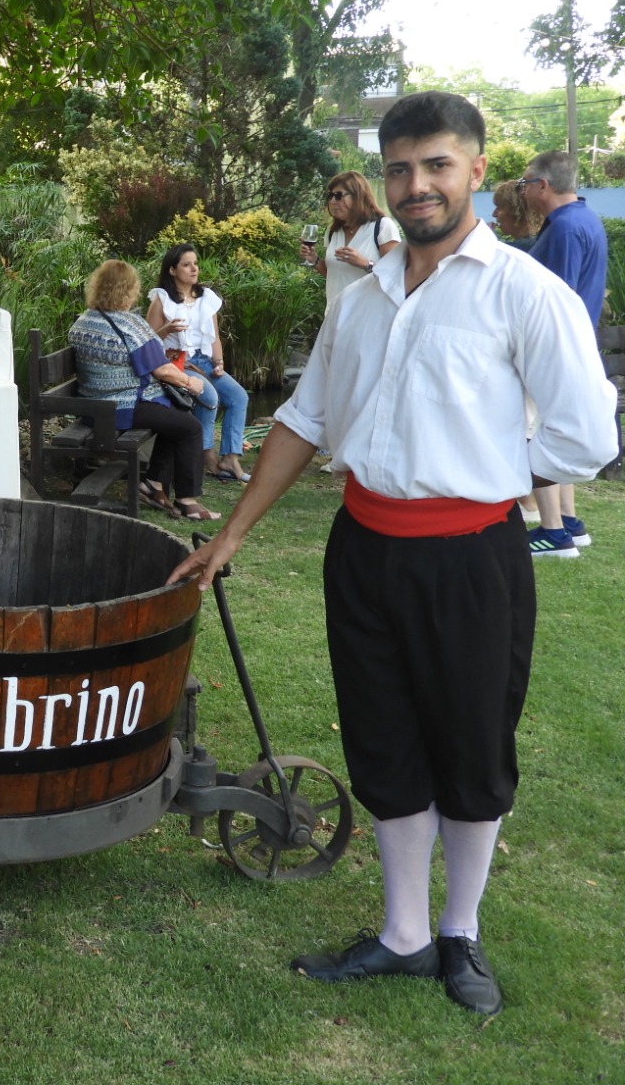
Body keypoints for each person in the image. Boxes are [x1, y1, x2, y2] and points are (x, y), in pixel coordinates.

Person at [169, 91, 617, 1018]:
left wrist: (484, 475)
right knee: (383, 739)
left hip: (472, 560)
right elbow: (304, 419)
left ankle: (460, 932)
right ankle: (405, 933)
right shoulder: (365, 295)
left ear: (477, 172)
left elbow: (585, 435)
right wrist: (231, 532)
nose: (419, 185)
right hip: (363, 550)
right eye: (402, 168)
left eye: (438, 165)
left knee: (471, 745)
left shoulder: (523, 291)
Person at [69, 259, 218, 521]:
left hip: (92, 408)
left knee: (175, 416)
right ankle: (186, 501)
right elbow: (161, 369)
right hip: (122, 407)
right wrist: (190, 383)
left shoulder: (83, 321)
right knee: (190, 427)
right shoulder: (129, 324)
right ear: (128, 290)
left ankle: (153, 484)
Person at [519, 150, 609, 558]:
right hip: (575, 345)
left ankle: (554, 532)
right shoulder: (583, 219)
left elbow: (554, 297)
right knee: (555, 427)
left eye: (524, 184)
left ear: (543, 184)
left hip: (554, 349)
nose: (522, 192)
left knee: (539, 433)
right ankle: (570, 522)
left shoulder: (565, 229)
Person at [146, 243, 252, 483]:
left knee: (238, 397)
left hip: (203, 360)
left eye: (195, 263)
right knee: (209, 396)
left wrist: (219, 362)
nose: (194, 269)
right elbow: (147, 341)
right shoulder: (162, 299)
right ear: (172, 270)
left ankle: (230, 457)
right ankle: (206, 454)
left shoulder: (206, 297)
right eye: (186, 265)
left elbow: (214, 337)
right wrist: (166, 329)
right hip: (177, 362)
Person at [302, 170, 402, 308]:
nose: (332, 201)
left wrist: (365, 264)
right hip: (334, 314)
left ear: (358, 197)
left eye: (338, 195)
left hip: (368, 314)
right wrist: (314, 260)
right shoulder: (332, 231)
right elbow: (334, 275)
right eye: (330, 196)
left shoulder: (381, 227)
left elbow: (397, 276)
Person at [490, 179, 538, 250]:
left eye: (499, 207)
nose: (494, 214)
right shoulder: (540, 240)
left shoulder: (523, 248)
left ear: (516, 210)